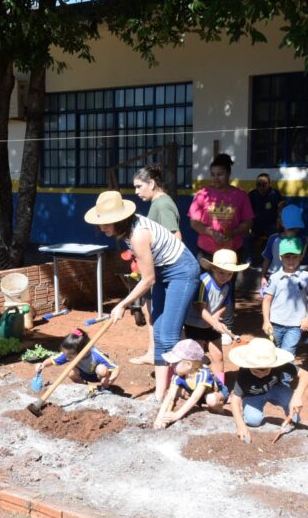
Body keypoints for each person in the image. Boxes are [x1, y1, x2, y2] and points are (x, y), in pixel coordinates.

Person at [84, 190, 200, 402]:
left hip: (182, 271)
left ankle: (184, 386)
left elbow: (148, 279)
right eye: (101, 222)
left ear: (120, 219)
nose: (102, 227)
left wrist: (122, 304)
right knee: (158, 334)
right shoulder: (128, 231)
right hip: (163, 271)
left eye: (107, 222)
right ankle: (160, 394)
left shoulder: (138, 234)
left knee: (169, 337)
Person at [189, 153, 254, 337]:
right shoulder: (202, 195)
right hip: (206, 251)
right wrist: (210, 232)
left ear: (228, 174)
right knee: (201, 287)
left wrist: (233, 233)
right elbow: (194, 222)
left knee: (227, 289)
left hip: (230, 253)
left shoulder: (240, 195)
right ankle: (199, 326)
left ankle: (227, 326)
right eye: (213, 174)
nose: (216, 178)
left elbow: (248, 222)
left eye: (220, 174)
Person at [130, 164, 182, 365]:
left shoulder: (162, 204)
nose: (136, 192)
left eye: (138, 186)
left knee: (155, 312)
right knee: (149, 309)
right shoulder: (158, 203)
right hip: (158, 267)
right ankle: (153, 352)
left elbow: (175, 236)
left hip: (163, 269)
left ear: (151, 184)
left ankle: (159, 354)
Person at [227, 337, 308, 444]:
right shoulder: (243, 373)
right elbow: (235, 400)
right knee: (253, 420)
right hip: (253, 396)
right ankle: (252, 415)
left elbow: (306, 375)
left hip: (275, 389)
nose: (262, 374)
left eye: (266, 370)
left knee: (291, 401)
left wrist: (297, 396)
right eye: (257, 371)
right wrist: (240, 426)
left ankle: (293, 421)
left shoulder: (279, 364)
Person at [184, 249, 248, 383]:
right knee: (196, 356)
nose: (225, 276)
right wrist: (215, 323)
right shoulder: (204, 282)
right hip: (195, 324)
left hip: (211, 324)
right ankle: (192, 384)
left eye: (229, 273)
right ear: (213, 268)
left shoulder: (228, 285)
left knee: (218, 355)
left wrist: (217, 315)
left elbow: (225, 303)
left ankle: (220, 386)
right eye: (221, 272)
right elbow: (199, 307)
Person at [153, 339, 228, 429]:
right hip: (196, 393)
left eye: (175, 363)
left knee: (211, 399)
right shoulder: (178, 375)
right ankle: (199, 407)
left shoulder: (203, 374)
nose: (171, 365)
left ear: (189, 364)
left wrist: (177, 415)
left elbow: (195, 397)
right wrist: (159, 417)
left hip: (213, 393)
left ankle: (219, 414)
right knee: (176, 392)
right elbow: (170, 396)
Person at [261, 237, 308, 357]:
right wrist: (266, 321)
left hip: (296, 325)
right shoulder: (274, 277)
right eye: (287, 256)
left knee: (288, 353)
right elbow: (267, 300)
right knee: (274, 352)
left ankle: (286, 376)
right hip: (275, 323)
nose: (291, 260)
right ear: (280, 257)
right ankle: (275, 376)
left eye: (295, 256)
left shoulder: (306, 276)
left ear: (301, 256)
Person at [35, 328, 118, 390]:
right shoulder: (69, 353)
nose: (67, 357)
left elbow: (115, 368)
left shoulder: (95, 355)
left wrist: (111, 379)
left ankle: (105, 388)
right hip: (84, 374)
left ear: (82, 352)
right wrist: (43, 365)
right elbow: (52, 360)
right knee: (70, 372)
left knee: (102, 369)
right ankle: (86, 388)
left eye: (70, 356)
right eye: (66, 355)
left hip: (98, 376)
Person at [260, 204, 307, 293]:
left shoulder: (302, 240)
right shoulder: (273, 239)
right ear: (281, 223)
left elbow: (300, 258)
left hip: (293, 277)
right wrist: (263, 276)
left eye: (295, 227)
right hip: (273, 275)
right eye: (290, 227)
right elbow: (267, 259)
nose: (293, 230)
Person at [248, 173, 283, 262]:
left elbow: (281, 206)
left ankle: (274, 260)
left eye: (264, 184)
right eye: (258, 184)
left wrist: (279, 220)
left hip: (271, 224)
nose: (261, 187)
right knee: (247, 236)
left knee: (275, 237)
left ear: (269, 184)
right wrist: (248, 225)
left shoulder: (275, 193)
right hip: (256, 225)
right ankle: (250, 259)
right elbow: (247, 211)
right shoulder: (252, 194)